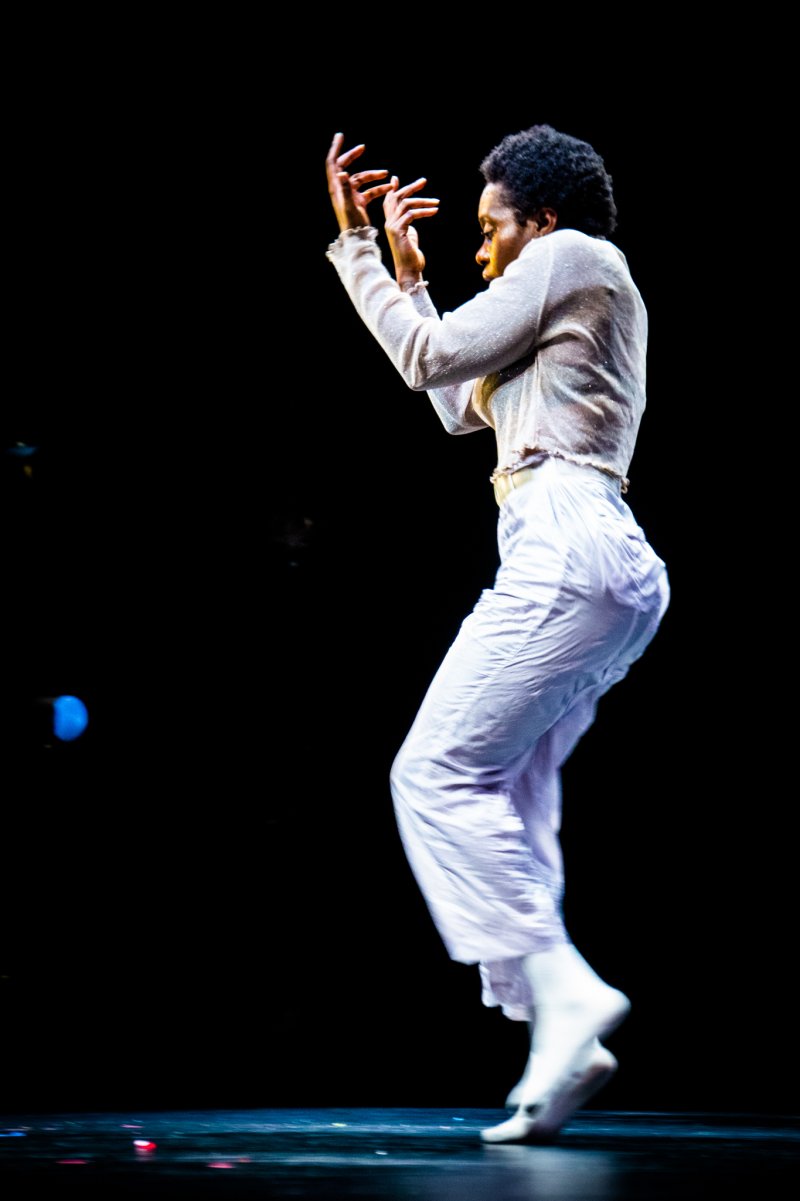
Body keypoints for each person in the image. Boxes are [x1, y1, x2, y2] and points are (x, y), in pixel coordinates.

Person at [324, 124, 670, 1143]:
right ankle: (559, 1042)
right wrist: (410, 279)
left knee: (432, 773)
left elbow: (422, 357)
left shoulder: (573, 257)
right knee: (510, 794)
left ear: (542, 220)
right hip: (588, 556)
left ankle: (565, 992)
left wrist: (354, 248)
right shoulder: (561, 298)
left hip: (567, 539)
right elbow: (450, 403)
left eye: (489, 229)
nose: (481, 251)